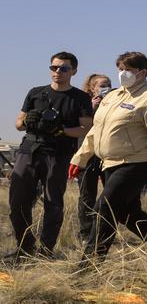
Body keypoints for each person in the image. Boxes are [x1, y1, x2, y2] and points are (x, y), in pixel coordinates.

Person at [69, 52, 147, 263]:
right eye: (120, 69)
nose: (122, 74)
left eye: (128, 70)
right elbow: (95, 131)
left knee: (104, 207)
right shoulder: (113, 97)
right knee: (127, 213)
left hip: (136, 163)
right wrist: (80, 157)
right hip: (109, 163)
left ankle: (89, 263)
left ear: (142, 72)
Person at [6, 52, 94, 260]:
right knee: (17, 201)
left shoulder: (80, 98)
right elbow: (18, 124)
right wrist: (29, 121)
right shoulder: (36, 93)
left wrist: (61, 130)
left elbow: (87, 128)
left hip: (58, 154)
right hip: (29, 150)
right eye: (54, 68)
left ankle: (45, 251)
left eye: (63, 68)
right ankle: (25, 248)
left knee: (53, 203)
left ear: (73, 71)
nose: (57, 72)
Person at [75, 73, 113, 246]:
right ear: (92, 88)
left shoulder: (114, 102)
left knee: (111, 194)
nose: (107, 87)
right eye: (103, 85)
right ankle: (86, 233)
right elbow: (80, 126)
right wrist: (91, 108)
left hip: (108, 153)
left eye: (109, 84)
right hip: (88, 154)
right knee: (87, 195)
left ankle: (106, 232)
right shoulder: (82, 103)